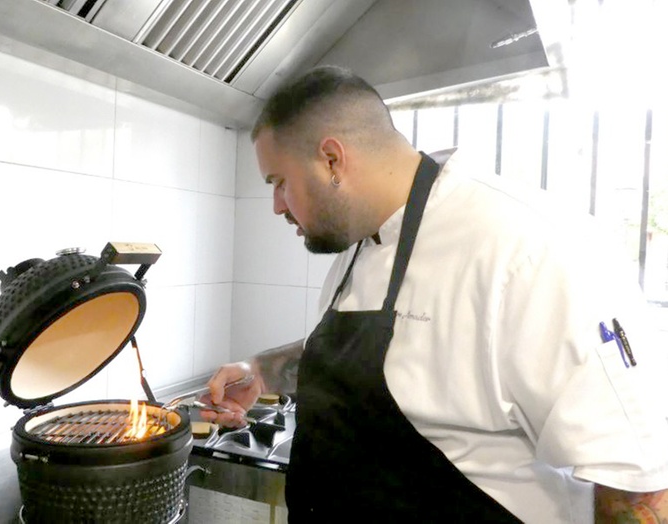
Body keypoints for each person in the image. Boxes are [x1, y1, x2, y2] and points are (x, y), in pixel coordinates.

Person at [201, 65, 668, 522]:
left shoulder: (529, 248)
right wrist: (262, 372)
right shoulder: (360, 242)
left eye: (279, 182)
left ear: (332, 159)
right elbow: (395, 364)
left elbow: (636, 480)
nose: (277, 205)